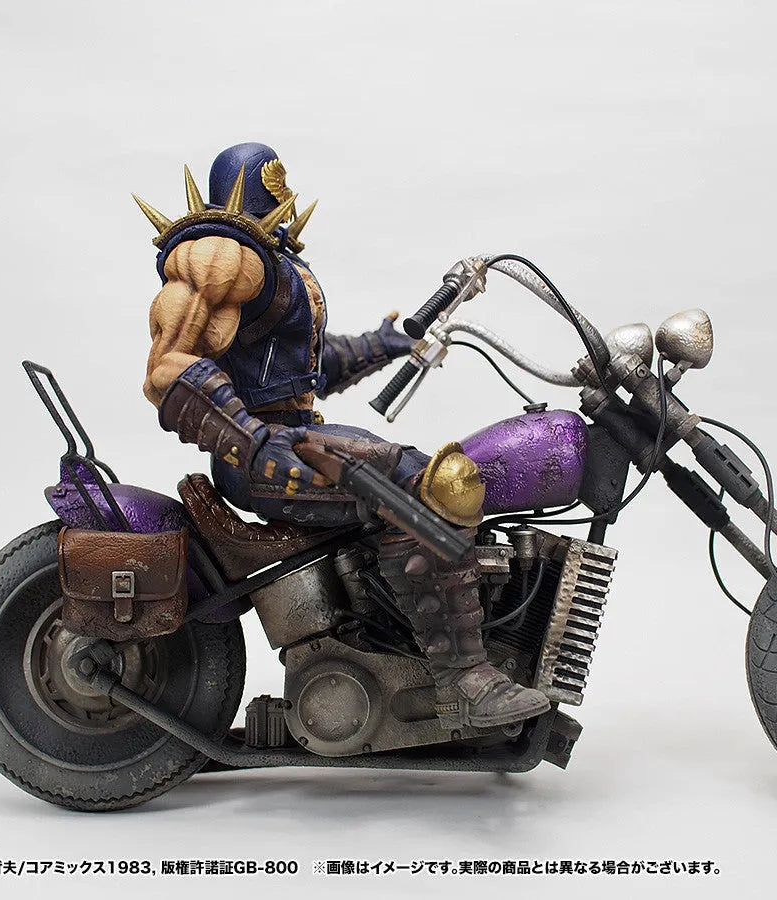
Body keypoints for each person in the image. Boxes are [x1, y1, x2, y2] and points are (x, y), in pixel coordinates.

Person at [136, 143, 550, 729]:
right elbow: (168, 370)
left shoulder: (275, 265)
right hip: (265, 455)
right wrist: (255, 446)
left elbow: (305, 366)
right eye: (274, 184)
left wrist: (385, 343)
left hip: (295, 437)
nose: (284, 194)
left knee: (431, 474)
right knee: (432, 488)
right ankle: (463, 679)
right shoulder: (222, 254)